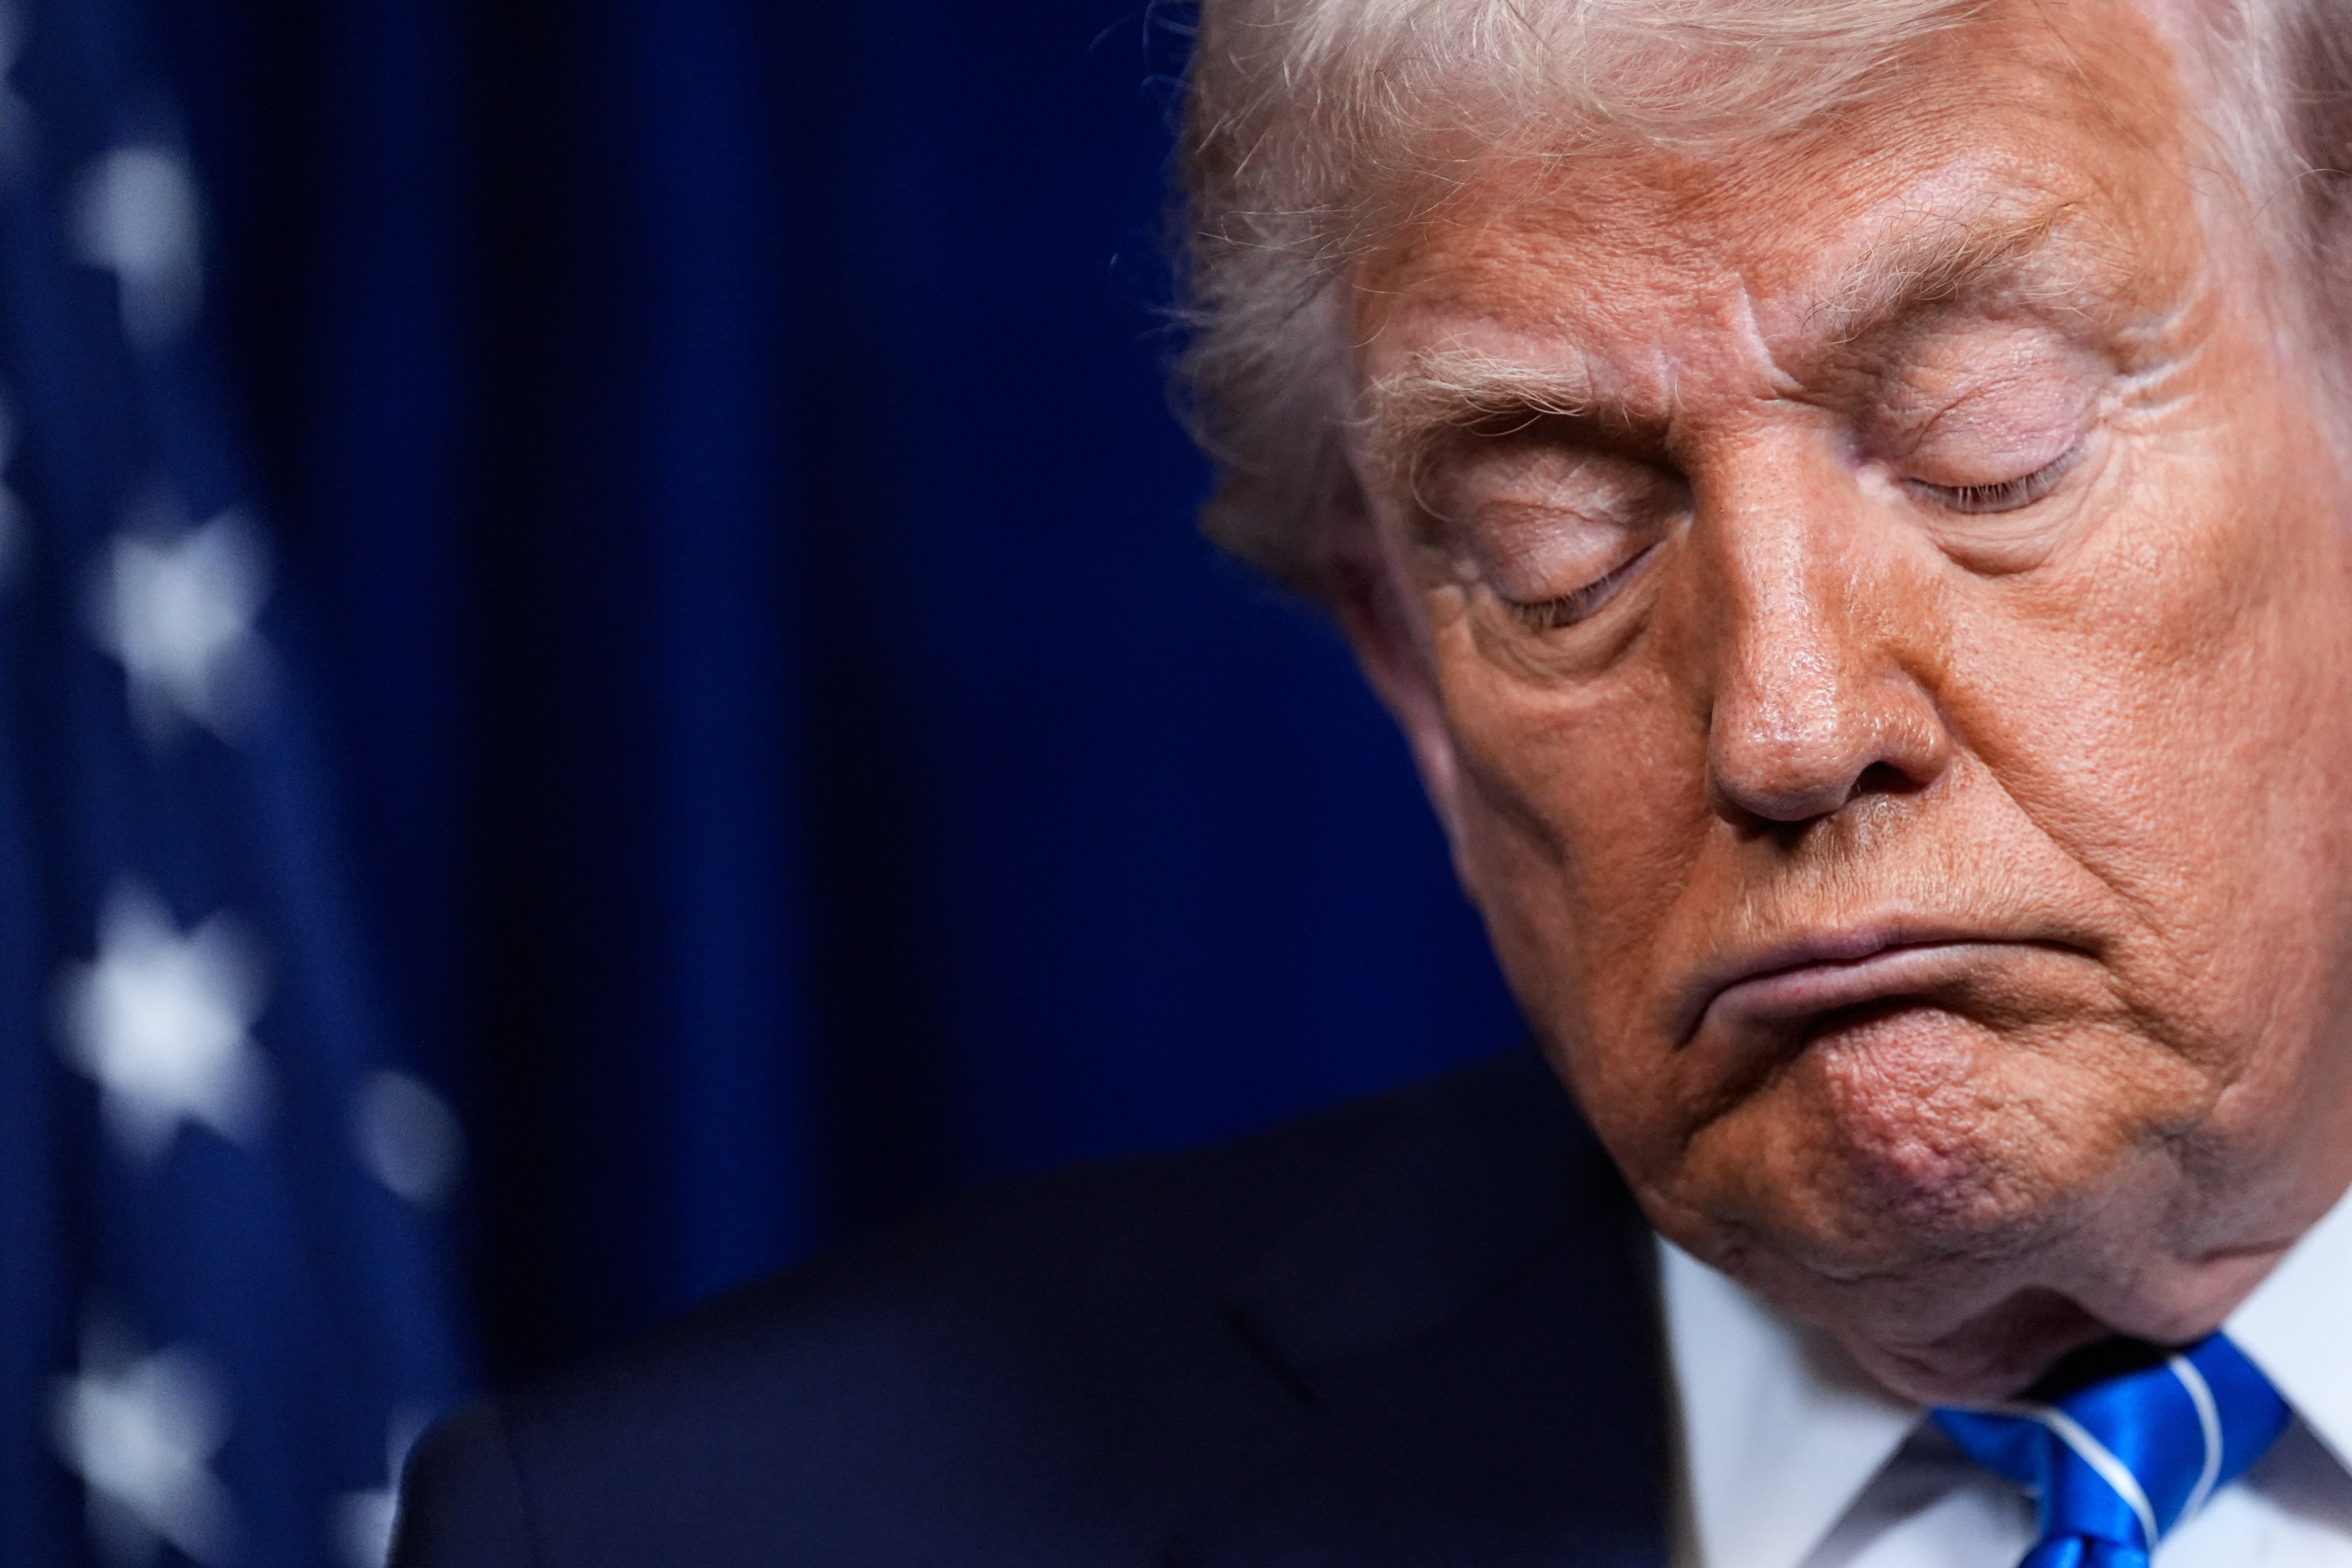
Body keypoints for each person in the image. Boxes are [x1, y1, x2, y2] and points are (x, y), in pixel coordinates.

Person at [391, 0, 2352, 1563]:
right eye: (1564, 552)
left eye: (1981, 448)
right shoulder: (688, 1531)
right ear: (1407, 662)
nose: (1783, 722)